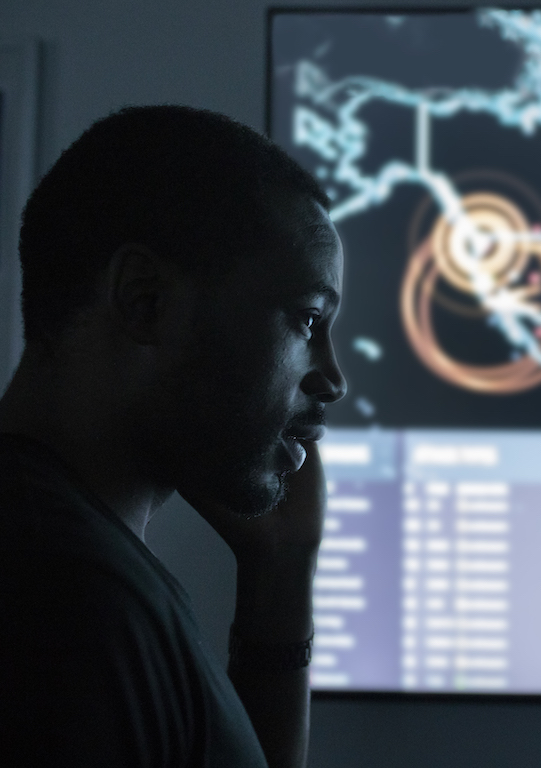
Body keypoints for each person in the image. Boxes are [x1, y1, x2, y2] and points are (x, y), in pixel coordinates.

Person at [0, 105, 347, 767]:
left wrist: (279, 575)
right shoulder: (66, 600)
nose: (331, 380)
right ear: (144, 300)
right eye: (307, 319)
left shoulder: (75, 558)